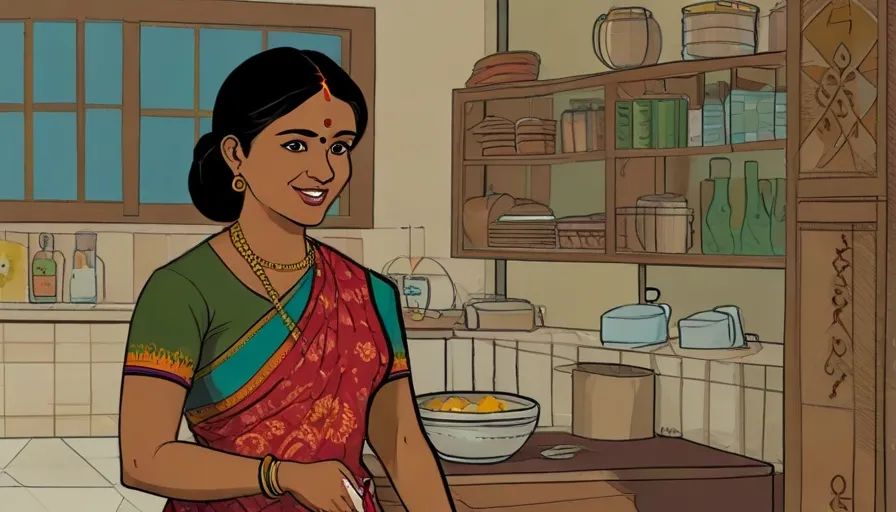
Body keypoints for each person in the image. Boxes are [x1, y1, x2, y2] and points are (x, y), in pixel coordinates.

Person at [118, 47, 455, 512]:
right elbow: (143, 459)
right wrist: (281, 476)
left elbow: (401, 444)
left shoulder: (371, 293)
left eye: (339, 146)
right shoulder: (180, 290)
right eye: (296, 144)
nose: (323, 170)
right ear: (236, 154)